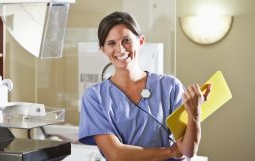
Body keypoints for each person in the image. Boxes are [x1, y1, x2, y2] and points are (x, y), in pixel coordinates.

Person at [78, 11, 210, 161]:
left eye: (126, 40)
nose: (121, 49)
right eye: (111, 43)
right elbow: (116, 155)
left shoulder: (170, 86)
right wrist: (171, 152)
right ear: (102, 49)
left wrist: (195, 114)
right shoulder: (95, 97)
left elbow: (188, 151)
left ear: (141, 42)